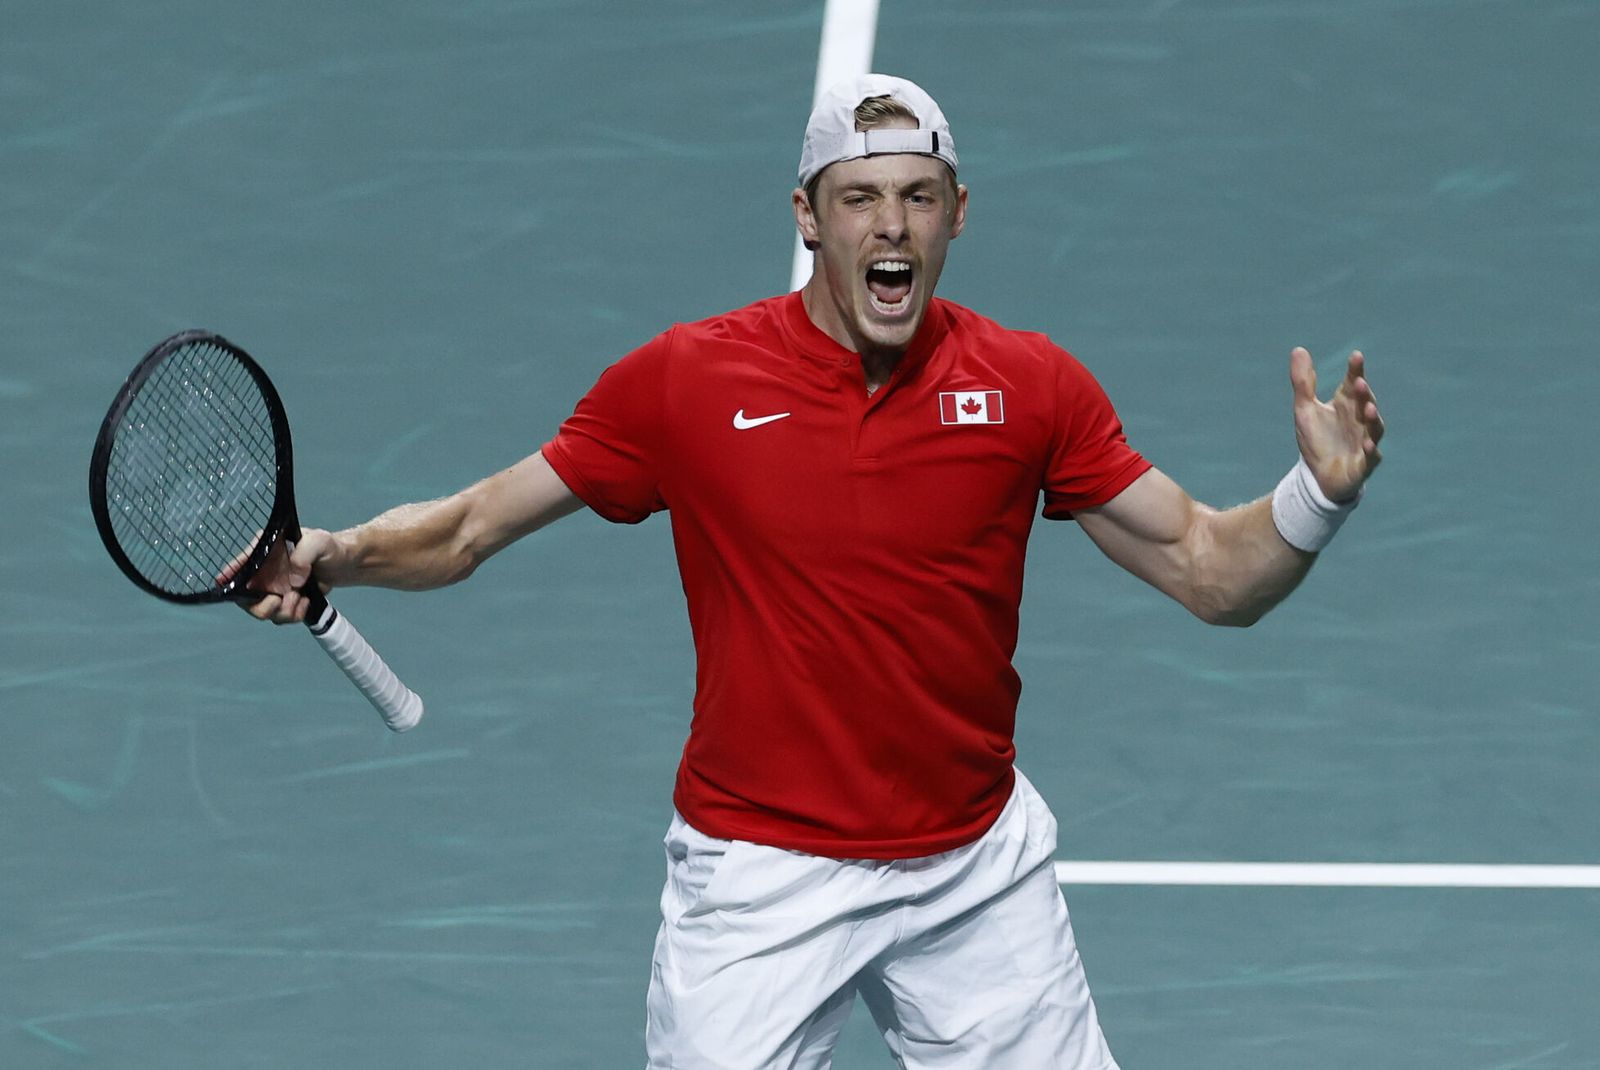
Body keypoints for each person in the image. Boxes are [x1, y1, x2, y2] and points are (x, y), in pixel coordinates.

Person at [239, 74, 1384, 1069]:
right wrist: (336, 550)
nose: (892, 225)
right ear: (809, 216)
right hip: (762, 875)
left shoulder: (1029, 387)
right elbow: (473, 524)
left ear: (956, 215)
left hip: (971, 867)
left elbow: (1206, 569)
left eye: (918, 197)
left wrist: (1316, 495)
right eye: (860, 197)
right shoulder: (684, 382)